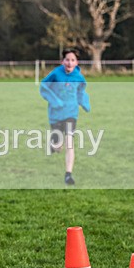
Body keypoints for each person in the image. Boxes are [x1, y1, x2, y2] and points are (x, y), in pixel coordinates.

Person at [40, 48, 90, 186]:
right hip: (55, 114)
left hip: (71, 113)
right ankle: (54, 144)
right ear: (62, 61)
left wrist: (84, 102)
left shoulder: (79, 77)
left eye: (72, 60)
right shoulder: (56, 74)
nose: (69, 63)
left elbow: (81, 91)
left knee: (69, 142)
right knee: (57, 145)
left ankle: (68, 174)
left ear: (76, 62)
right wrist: (55, 101)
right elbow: (43, 87)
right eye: (67, 60)